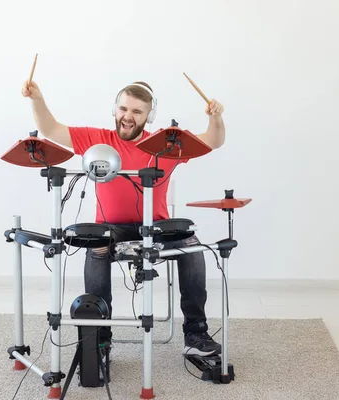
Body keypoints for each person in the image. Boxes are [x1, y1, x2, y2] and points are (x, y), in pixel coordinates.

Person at [21, 79, 226, 357]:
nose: (128, 116)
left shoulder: (167, 142)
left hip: (155, 229)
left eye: (137, 112)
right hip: (110, 229)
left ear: (149, 116)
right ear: (115, 110)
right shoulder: (98, 139)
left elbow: (214, 141)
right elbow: (50, 128)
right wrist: (37, 99)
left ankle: (196, 334)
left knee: (192, 246)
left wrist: (216, 118)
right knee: (97, 246)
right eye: (123, 108)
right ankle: (98, 340)